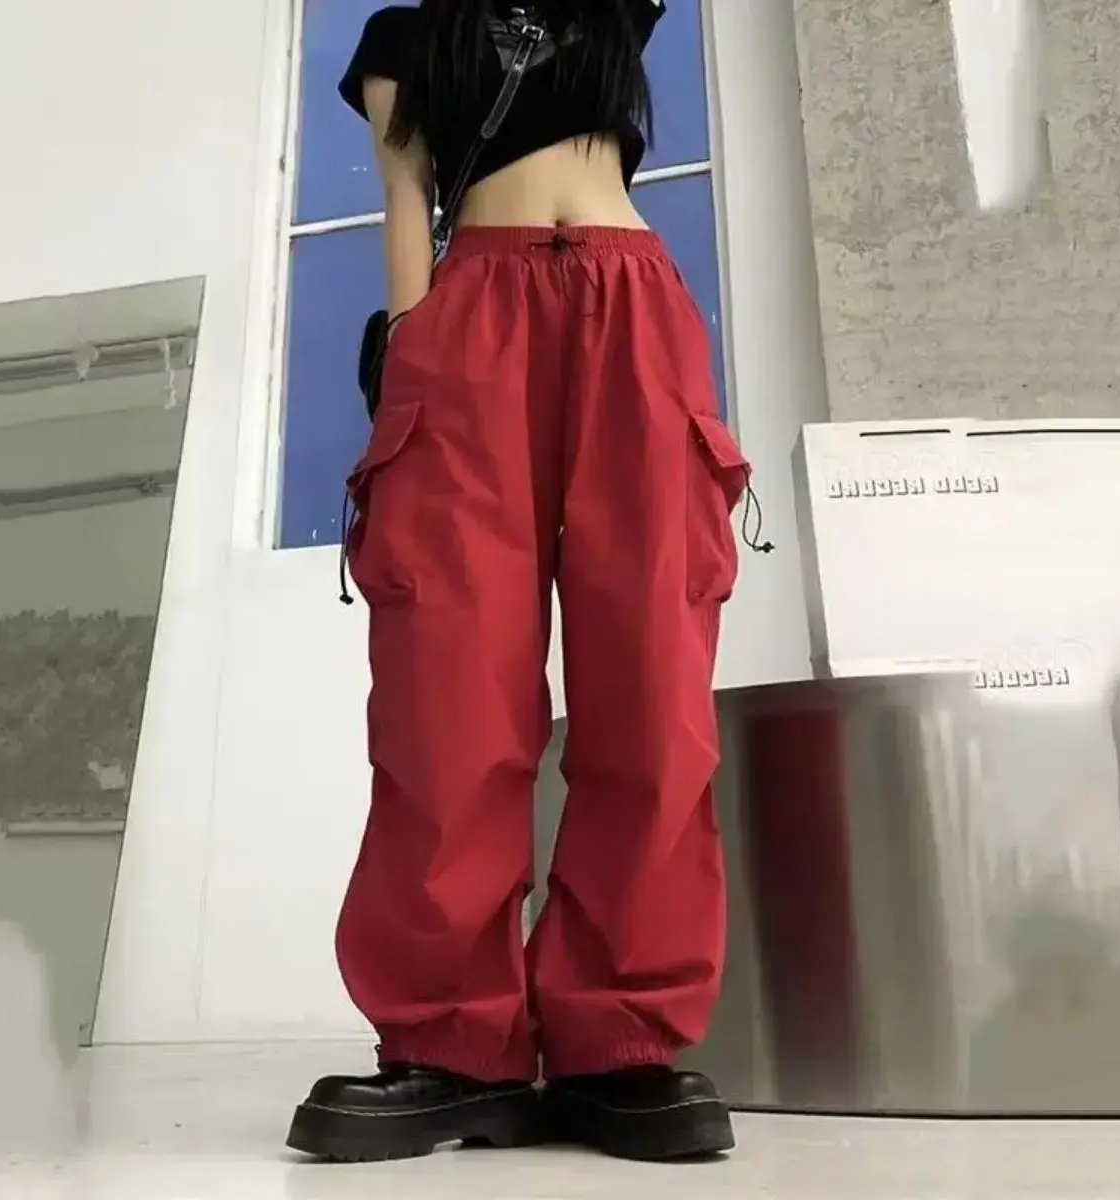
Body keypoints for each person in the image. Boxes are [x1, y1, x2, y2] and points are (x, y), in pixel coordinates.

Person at [287, 0, 752, 1164]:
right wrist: (416, 355)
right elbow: (408, 202)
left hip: (632, 309)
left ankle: (619, 1039)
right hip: (468, 322)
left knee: (651, 685)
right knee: (445, 693)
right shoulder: (402, 41)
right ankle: (451, 1046)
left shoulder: (611, 15)